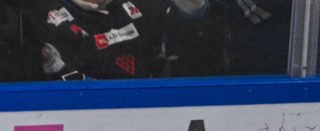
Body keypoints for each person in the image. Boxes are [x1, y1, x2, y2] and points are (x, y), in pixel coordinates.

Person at [28, 0, 214, 80]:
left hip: (147, 124)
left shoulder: (140, 8)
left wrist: (191, 10)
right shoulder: (43, 16)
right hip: (76, 130)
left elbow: (187, 52)